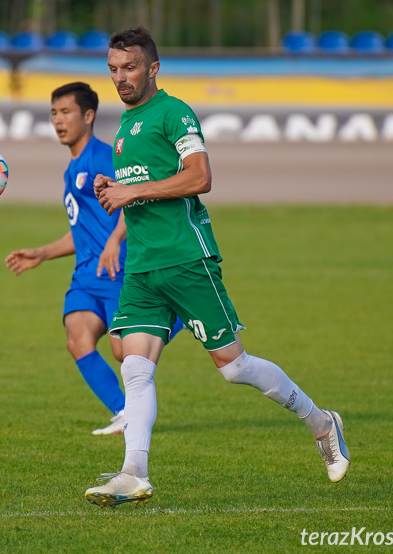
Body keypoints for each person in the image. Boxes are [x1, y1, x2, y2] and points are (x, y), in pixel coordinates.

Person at [84, 27, 349, 507]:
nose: (120, 78)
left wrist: (131, 191)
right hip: (143, 266)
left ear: (153, 68)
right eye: (114, 70)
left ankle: (321, 422)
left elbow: (201, 177)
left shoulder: (174, 112)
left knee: (233, 367)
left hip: (187, 259)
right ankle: (133, 473)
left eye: (130, 68)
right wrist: (115, 185)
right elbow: (142, 184)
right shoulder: (125, 125)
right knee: (135, 366)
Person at [5, 81, 183, 435]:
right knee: (78, 339)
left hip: (117, 269)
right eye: (54, 113)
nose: (58, 120)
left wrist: (116, 240)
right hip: (87, 274)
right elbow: (83, 229)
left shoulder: (103, 157)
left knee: (123, 353)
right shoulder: (72, 169)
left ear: (88, 116)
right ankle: (123, 412)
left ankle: (176, 313)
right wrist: (42, 253)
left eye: (66, 112)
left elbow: (134, 199)